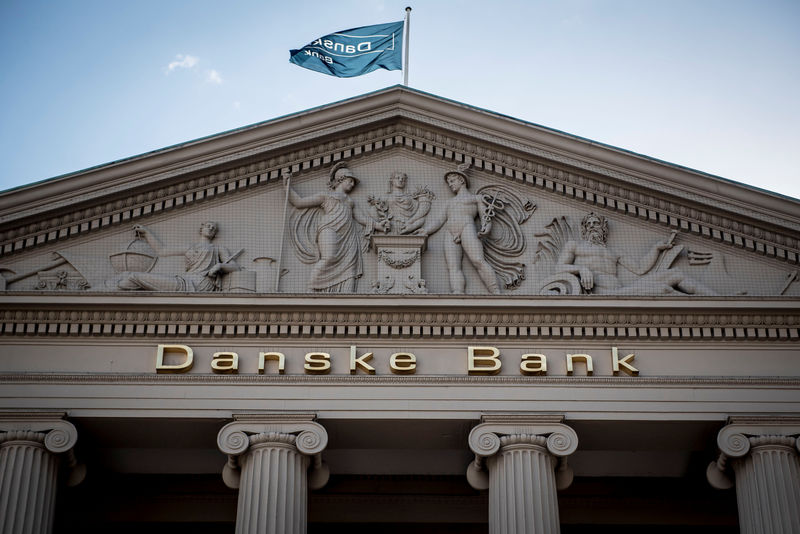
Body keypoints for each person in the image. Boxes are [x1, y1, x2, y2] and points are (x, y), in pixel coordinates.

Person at [284, 163, 389, 293]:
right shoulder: (325, 197)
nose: (352, 185)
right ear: (341, 179)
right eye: (350, 181)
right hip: (330, 229)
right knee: (329, 257)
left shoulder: (350, 202)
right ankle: (312, 287)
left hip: (348, 237)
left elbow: (361, 218)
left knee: (350, 266)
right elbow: (299, 202)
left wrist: (378, 225)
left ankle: (346, 294)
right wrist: (287, 186)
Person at [554, 212, 716, 295]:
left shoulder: (613, 251)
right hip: (603, 293)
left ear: (603, 228)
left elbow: (640, 269)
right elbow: (559, 268)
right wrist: (581, 270)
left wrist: (657, 249)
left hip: (621, 290)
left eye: (595, 223)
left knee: (676, 274)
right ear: (584, 229)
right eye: (588, 224)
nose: (592, 226)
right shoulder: (575, 246)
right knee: (663, 289)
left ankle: (715, 300)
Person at [421, 164, 500, 294]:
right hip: (450, 232)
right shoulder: (449, 202)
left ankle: (495, 291)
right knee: (453, 266)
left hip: (467, 227)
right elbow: (439, 220)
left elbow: (485, 217)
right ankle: (458, 292)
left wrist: (487, 227)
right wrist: (425, 230)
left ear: (461, 180)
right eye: (448, 183)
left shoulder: (476, 198)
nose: (450, 185)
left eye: (452, 181)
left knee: (478, 260)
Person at [117, 221, 239, 291]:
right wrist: (147, 233)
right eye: (208, 225)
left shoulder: (218, 249)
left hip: (200, 285)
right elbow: (162, 251)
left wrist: (220, 266)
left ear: (215, 234)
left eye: (214, 228)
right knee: (133, 276)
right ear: (201, 229)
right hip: (186, 281)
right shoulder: (190, 247)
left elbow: (235, 267)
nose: (211, 228)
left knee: (134, 277)